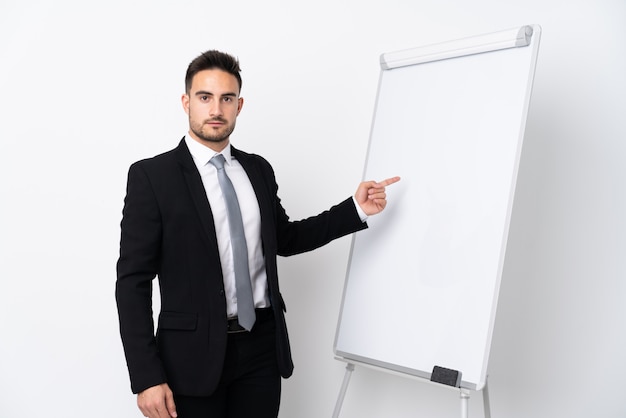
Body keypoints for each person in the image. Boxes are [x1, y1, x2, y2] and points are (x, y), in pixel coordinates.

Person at [115, 49, 400, 418]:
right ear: (186, 102)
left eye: (226, 98)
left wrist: (355, 209)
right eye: (205, 97)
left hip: (261, 350)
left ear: (239, 104)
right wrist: (146, 377)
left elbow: (286, 239)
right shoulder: (152, 177)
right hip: (191, 359)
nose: (216, 109)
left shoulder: (257, 170)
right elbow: (132, 281)